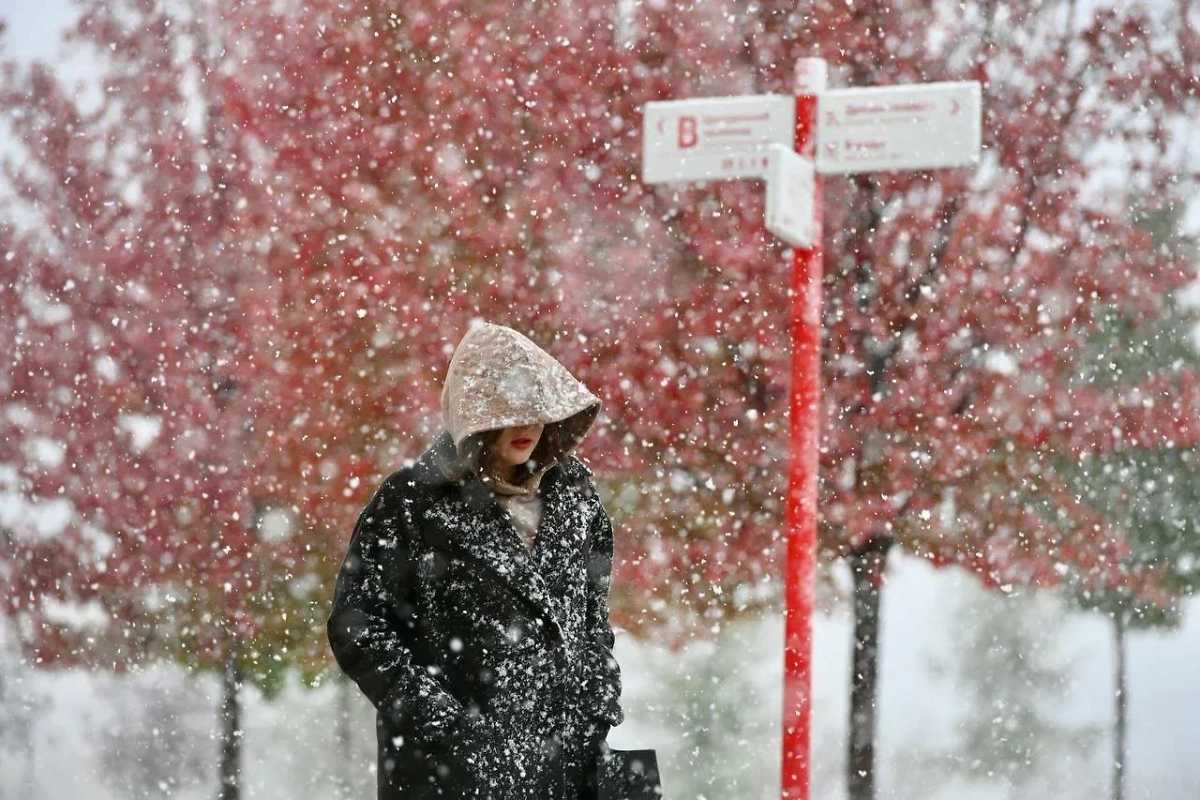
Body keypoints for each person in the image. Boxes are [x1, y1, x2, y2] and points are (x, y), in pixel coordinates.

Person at [327, 322, 624, 799]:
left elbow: (591, 622)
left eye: (538, 409)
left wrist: (596, 707)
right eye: (510, 411)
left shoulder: (576, 498)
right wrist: (446, 726)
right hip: (450, 776)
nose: (528, 426)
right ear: (475, 411)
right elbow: (357, 627)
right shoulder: (413, 502)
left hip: (565, 772)